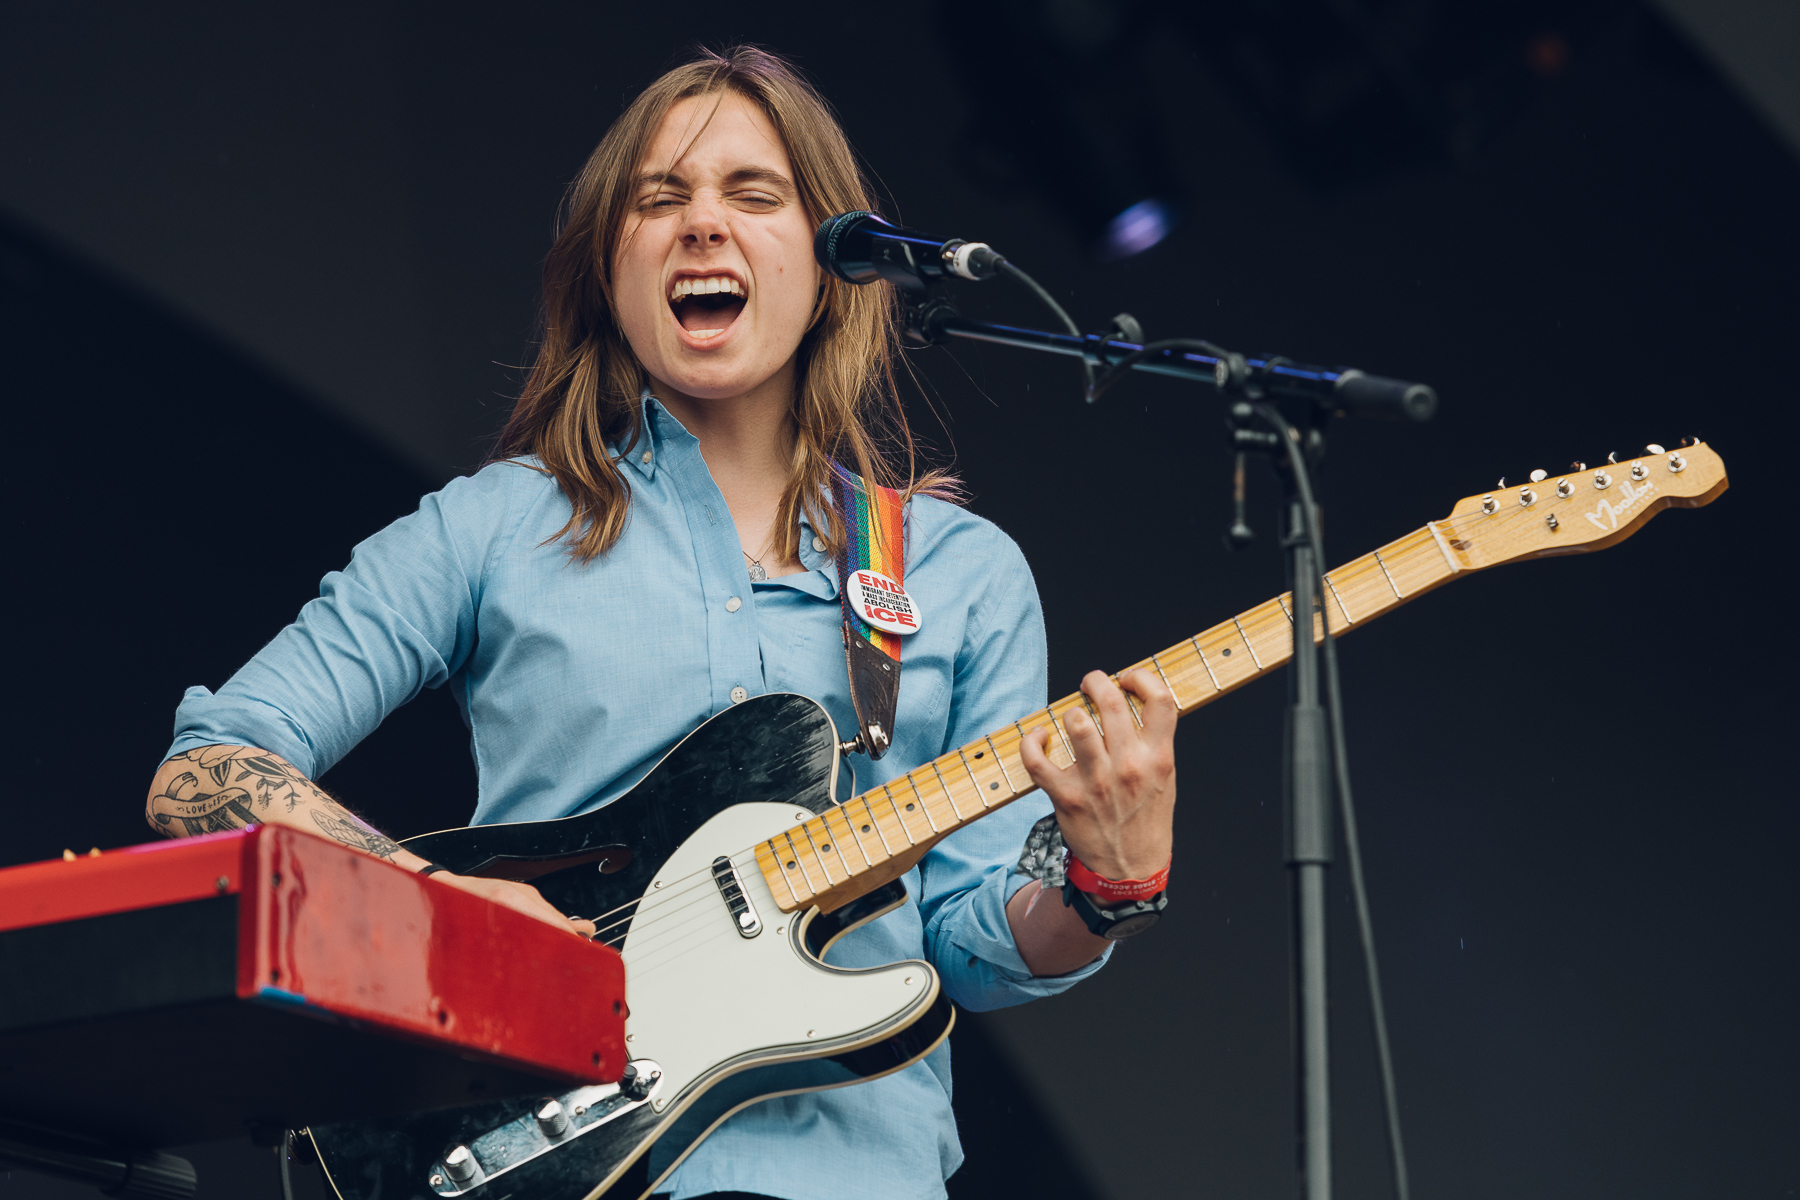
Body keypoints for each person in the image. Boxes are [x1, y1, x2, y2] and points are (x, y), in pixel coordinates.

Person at [145, 45, 1177, 1200]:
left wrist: (1106, 889)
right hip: (546, 1156)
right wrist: (426, 896)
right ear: (609, 266)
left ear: (833, 260)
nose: (701, 225)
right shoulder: (494, 527)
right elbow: (210, 765)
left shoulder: (962, 573)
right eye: (659, 198)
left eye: (753, 194)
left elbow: (977, 947)